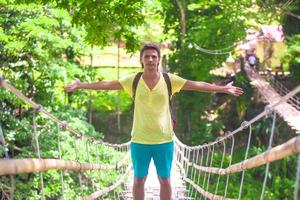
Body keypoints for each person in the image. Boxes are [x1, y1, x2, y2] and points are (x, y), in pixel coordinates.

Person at [65, 43, 243, 200]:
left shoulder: (169, 80)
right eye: (147, 57)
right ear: (142, 60)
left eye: (154, 57)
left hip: (164, 140)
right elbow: (106, 85)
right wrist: (80, 85)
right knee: (138, 180)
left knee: (165, 180)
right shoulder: (132, 80)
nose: (150, 59)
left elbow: (196, 85)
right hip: (139, 140)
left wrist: (222, 89)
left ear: (158, 60)